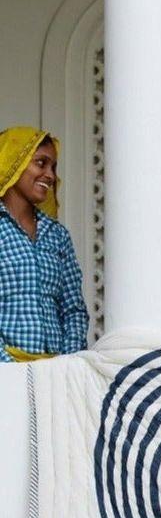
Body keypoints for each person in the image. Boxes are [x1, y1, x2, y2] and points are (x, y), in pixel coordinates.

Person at [0, 127, 89, 363]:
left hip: (55, 372)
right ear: (14, 163)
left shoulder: (57, 235)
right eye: (41, 163)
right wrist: (9, 369)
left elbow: (73, 309)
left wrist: (67, 363)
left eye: (53, 167)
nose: (50, 175)